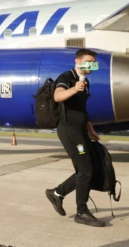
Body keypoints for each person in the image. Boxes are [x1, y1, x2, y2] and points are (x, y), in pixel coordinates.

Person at [45, 49, 105, 227]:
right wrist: (74, 88)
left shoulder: (85, 82)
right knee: (86, 170)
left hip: (80, 130)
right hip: (69, 131)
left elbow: (82, 111)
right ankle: (82, 212)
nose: (92, 65)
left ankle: (57, 193)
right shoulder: (66, 77)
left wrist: (90, 129)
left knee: (87, 168)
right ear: (78, 62)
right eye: (89, 61)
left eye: (93, 62)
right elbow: (57, 96)